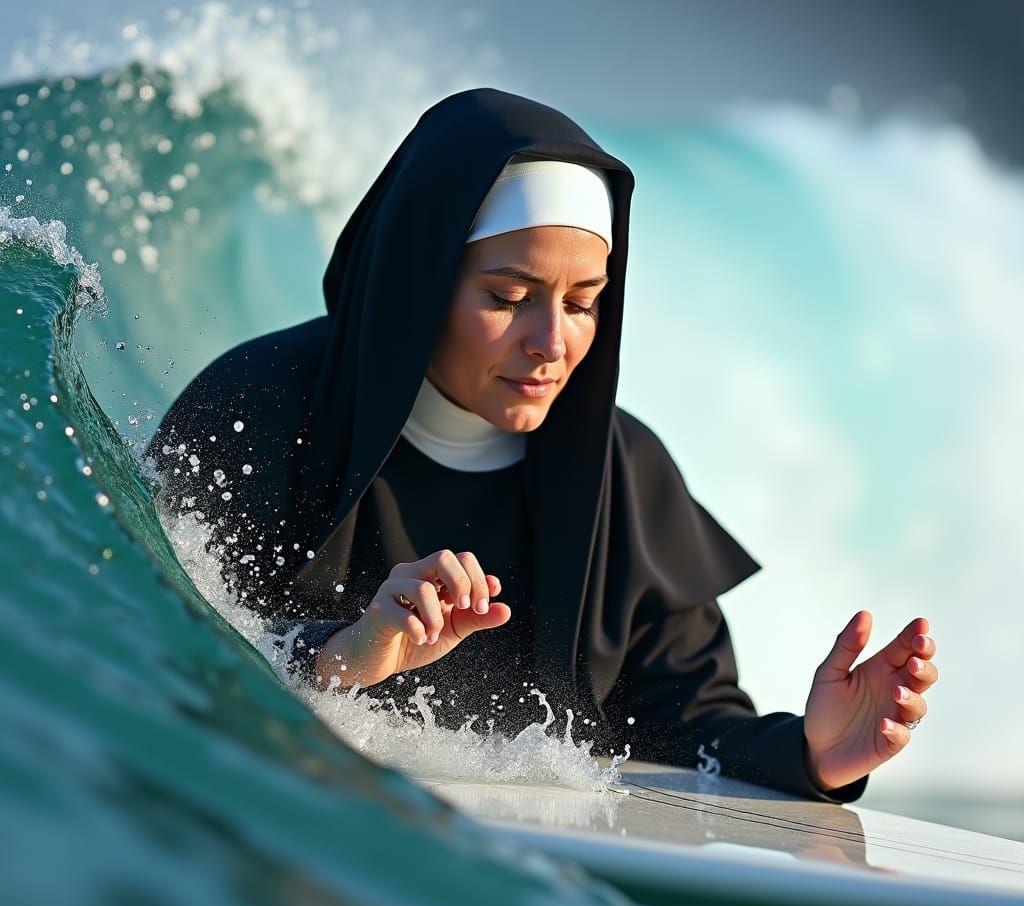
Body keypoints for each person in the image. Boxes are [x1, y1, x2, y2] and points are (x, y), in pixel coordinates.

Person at [148, 88, 937, 802]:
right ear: (422, 278)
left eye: (584, 302)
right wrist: (344, 656)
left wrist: (812, 752)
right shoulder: (258, 407)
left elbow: (685, 731)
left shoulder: (624, 476)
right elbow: (150, 640)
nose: (552, 342)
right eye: (509, 298)